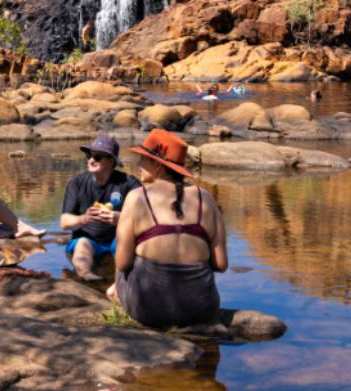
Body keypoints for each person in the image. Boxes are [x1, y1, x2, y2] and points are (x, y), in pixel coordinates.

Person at [107, 129, 228, 328]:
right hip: (202, 308)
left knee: (124, 256)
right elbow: (221, 264)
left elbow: (122, 263)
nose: (138, 164)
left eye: (142, 159)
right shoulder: (205, 198)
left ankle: (115, 292)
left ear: (158, 165)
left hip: (149, 311)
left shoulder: (137, 197)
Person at [60, 135, 140, 281]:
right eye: (89, 155)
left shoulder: (128, 183)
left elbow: (145, 215)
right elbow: (64, 222)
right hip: (88, 239)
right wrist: (84, 218)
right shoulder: (77, 183)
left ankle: (123, 281)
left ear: (111, 161)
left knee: (128, 242)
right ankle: (87, 277)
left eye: (97, 157)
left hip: (118, 237)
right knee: (82, 244)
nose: (91, 160)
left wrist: (121, 218)